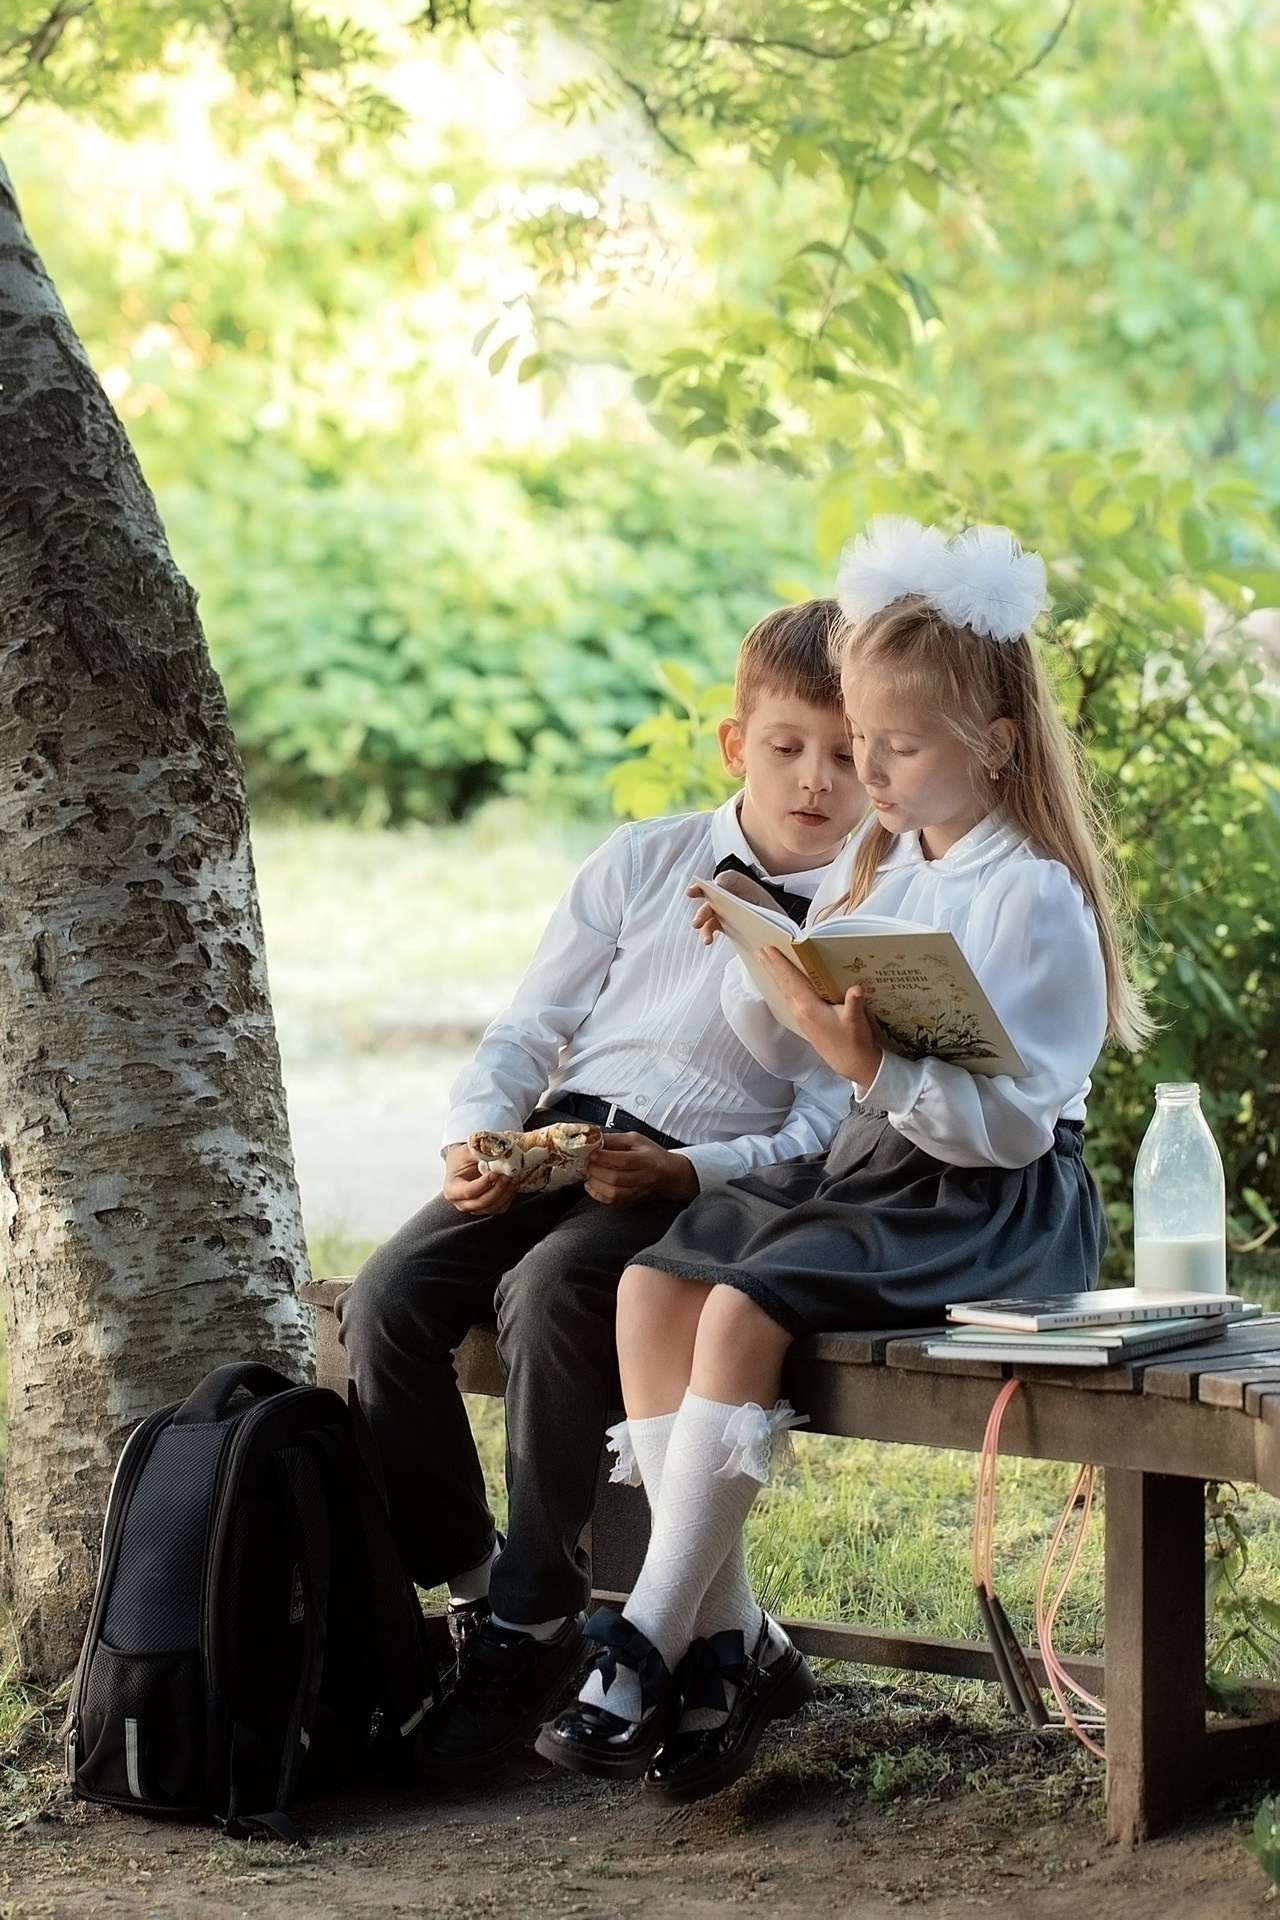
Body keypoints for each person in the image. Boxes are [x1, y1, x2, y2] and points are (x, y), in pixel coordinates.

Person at [537, 516, 1151, 1803]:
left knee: (753, 1298)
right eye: (860, 742)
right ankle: (725, 1642)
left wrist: (872, 1063)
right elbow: (818, 1035)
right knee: (655, 1282)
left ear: (989, 746)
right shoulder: (885, 858)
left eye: (898, 746)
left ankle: (647, 1632)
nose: (865, 770)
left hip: (988, 1198)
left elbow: (1017, 1123)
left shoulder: (1026, 895)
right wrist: (767, 961)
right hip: (878, 1168)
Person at [337, 598, 869, 1777]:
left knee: (551, 1292)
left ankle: (535, 1606)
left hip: (692, 1182)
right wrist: (477, 1134)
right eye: (787, 747)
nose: (816, 781)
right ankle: (488, 1592)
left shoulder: (868, 912)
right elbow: (531, 1026)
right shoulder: (639, 859)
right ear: (737, 745)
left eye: (846, 754)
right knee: (383, 1302)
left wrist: (687, 1168)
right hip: (554, 1145)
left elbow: (821, 1123)